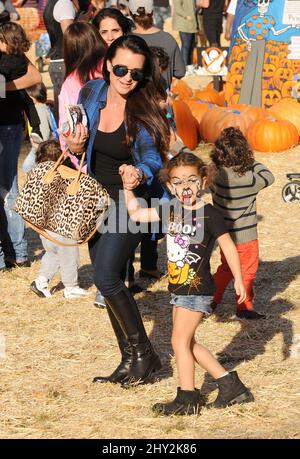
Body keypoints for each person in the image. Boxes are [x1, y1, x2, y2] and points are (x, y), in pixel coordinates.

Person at [63, 34, 170, 386]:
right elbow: (79, 144)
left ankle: (147, 356)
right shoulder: (91, 93)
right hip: (94, 201)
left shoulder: (144, 106)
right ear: (108, 64)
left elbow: (153, 156)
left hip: (132, 201)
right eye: (121, 68)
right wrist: (74, 145)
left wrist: (140, 171)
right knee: (107, 281)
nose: (127, 77)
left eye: (135, 73)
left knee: (107, 277)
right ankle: (128, 359)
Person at [121, 150, 254, 415]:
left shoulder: (210, 214)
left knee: (178, 343)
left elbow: (229, 246)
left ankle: (188, 398)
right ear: (170, 186)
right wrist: (127, 187)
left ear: (203, 181)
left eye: (191, 180)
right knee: (188, 342)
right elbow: (136, 213)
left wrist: (239, 279)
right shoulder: (170, 210)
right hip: (179, 289)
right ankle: (230, 385)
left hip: (198, 290)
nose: (185, 187)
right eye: (178, 182)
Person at [210, 127, 275, 320]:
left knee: (226, 268)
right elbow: (269, 176)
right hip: (246, 237)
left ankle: (211, 299)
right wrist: (249, 162)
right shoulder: (250, 179)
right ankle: (244, 307)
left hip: (224, 235)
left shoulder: (214, 175)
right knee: (247, 270)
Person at [0, 19, 41, 272]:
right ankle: (19, 251)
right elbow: (35, 78)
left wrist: (6, 86)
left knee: (8, 189)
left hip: (7, 126)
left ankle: (11, 253)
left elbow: (35, 77)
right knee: (10, 187)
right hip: (13, 125)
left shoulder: (8, 59)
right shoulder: (16, 56)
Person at [30, 140, 89, 299]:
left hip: (44, 226)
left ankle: (40, 281)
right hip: (61, 226)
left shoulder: (38, 174)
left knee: (53, 254)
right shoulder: (64, 172)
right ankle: (71, 287)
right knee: (68, 254)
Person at [58, 20, 106, 166]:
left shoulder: (71, 82)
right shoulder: (113, 68)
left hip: (89, 159)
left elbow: (66, 127)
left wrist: (75, 158)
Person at [43, 0, 92, 123]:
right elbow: (70, 37)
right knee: (70, 109)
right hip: (66, 62)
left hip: (59, 62)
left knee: (65, 107)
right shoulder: (65, 3)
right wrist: (83, 21)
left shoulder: (52, 3)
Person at [130, 0, 186, 89]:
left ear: (130, 12)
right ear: (152, 12)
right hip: (161, 97)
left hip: (133, 98)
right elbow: (180, 72)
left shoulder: (126, 40)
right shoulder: (168, 39)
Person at [23, 82, 57, 173]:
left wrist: (39, 147)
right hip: (43, 147)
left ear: (32, 97)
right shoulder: (43, 107)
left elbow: (44, 134)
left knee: (27, 166)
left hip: (41, 148)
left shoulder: (38, 109)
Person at [172, 0, 198, 66]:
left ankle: (190, 65)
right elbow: (177, 7)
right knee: (186, 46)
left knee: (192, 46)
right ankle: (184, 66)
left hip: (192, 24)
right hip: (184, 24)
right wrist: (186, 15)